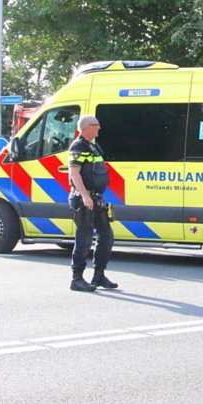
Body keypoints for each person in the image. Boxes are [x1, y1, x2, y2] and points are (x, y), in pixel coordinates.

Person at [67, 114, 117, 292]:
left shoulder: (93, 146)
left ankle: (99, 276)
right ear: (88, 127)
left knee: (106, 236)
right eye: (97, 125)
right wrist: (85, 196)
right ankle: (77, 279)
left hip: (96, 198)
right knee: (84, 239)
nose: (99, 127)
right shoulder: (79, 147)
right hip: (84, 199)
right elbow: (75, 174)